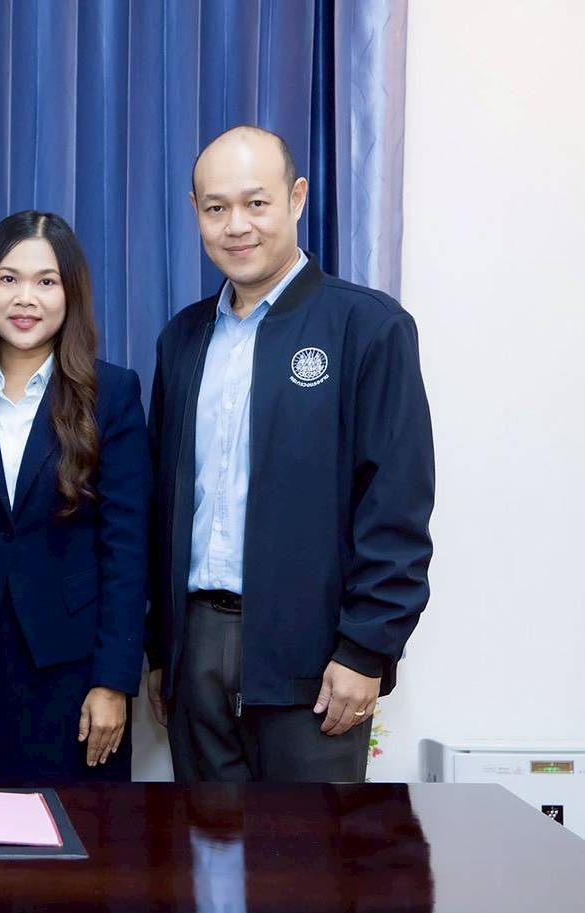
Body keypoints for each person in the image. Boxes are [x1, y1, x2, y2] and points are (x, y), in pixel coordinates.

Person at [146, 125, 434, 783]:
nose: (236, 226)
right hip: (196, 647)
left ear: (297, 198)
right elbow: (163, 504)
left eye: (256, 203)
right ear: (195, 212)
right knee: (203, 843)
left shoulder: (368, 327)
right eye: (216, 208)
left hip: (316, 655)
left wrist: (366, 649)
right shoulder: (183, 339)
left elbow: (396, 503)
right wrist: (162, 649)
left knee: (311, 847)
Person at [0, 211, 149, 782]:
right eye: (9, 279)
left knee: (75, 828)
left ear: (71, 294)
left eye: (47, 281)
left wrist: (113, 681)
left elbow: (128, 548)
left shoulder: (112, 392)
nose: (26, 298)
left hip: (71, 666)